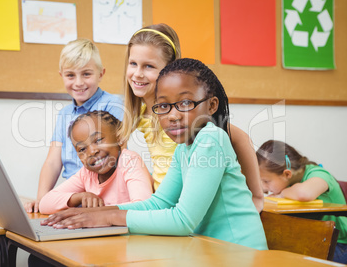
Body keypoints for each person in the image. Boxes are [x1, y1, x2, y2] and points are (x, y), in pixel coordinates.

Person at [41, 58, 268, 251]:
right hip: (211, 251)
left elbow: (183, 220)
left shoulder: (211, 139)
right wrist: (100, 213)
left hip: (240, 253)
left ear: (211, 105)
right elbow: (160, 202)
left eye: (185, 103)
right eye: (163, 106)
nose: (173, 116)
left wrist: (108, 217)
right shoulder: (184, 147)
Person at [118, 23, 264, 212]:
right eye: (133, 64)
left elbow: (240, 138)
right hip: (165, 205)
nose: (138, 74)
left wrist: (256, 195)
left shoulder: (186, 112)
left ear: (169, 70)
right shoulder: (140, 114)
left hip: (192, 208)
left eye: (149, 66)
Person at [24, 38, 124, 213]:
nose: (78, 82)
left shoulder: (113, 105)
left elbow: (119, 155)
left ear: (101, 74)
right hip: (73, 197)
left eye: (86, 74)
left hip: (102, 198)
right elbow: (53, 162)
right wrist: (41, 200)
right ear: (62, 76)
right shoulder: (65, 114)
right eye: (71, 75)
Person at [38, 110, 153, 214]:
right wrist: (78, 197)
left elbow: (144, 206)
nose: (92, 151)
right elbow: (44, 204)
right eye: (82, 149)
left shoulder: (129, 161)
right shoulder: (86, 174)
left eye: (98, 140)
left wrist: (95, 213)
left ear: (119, 137)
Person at [256, 140, 347, 264]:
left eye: (266, 181)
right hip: (313, 241)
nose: (263, 187)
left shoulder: (318, 174)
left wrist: (282, 193)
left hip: (340, 244)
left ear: (287, 174)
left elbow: (304, 194)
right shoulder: (289, 182)